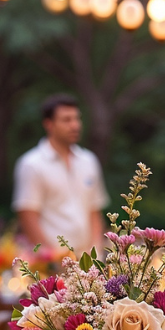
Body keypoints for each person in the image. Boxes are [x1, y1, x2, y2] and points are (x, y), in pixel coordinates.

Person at [13, 94, 108, 254]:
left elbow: (95, 211)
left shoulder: (89, 161)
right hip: (49, 263)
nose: (75, 125)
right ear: (49, 124)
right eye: (66, 120)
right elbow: (28, 217)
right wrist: (52, 257)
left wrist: (95, 254)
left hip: (87, 262)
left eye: (77, 119)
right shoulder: (32, 164)